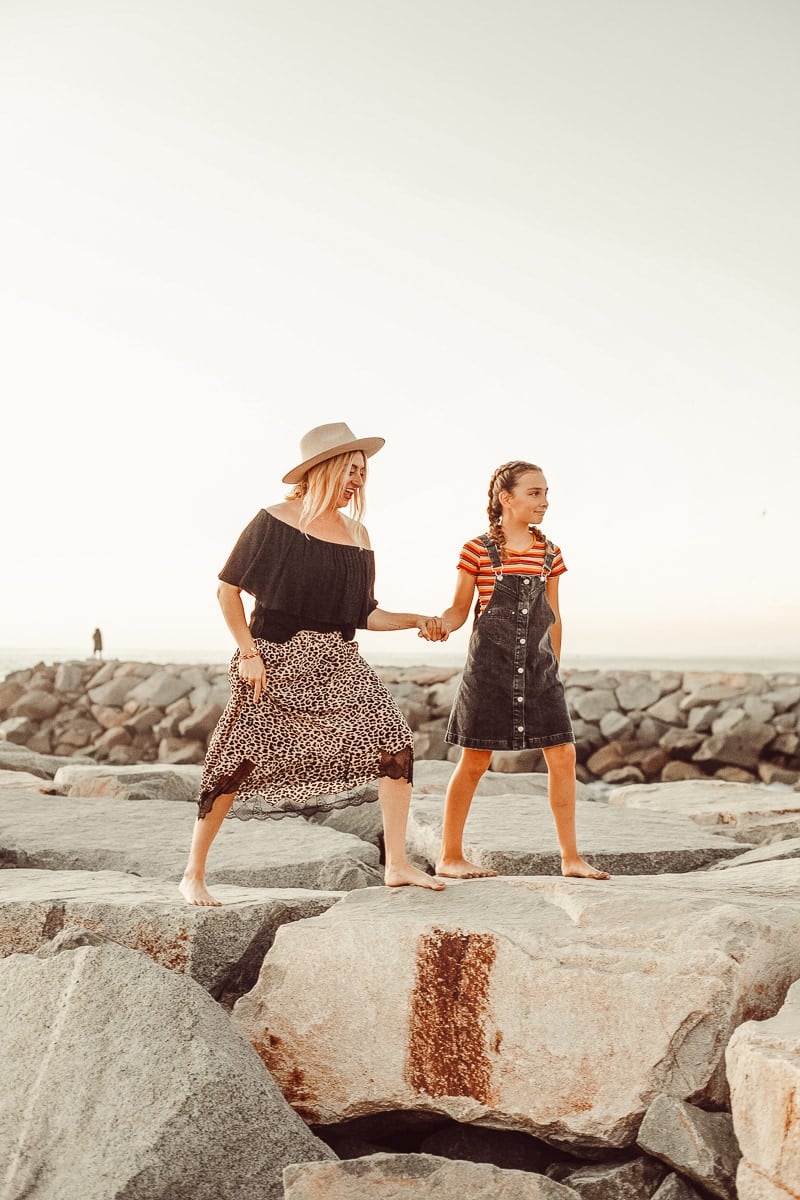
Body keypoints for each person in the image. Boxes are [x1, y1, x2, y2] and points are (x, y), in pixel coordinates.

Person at [179, 422, 447, 906]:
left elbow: (364, 612)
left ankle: (397, 865)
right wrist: (248, 653)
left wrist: (417, 621)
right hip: (273, 657)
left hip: (339, 659)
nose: (358, 481)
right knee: (234, 759)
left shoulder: (359, 535)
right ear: (323, 470)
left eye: (363, 473)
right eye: (351, 470)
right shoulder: (275, 520)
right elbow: (228, 589)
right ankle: (193, 873)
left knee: (393, 738)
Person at [434, 460, 609, 882]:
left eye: (546, 493)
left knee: (563, 755)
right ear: (505, 499)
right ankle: (449, 857)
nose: (544, 502)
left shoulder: (550, 553)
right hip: (488, 671)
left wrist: (553, 671)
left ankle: (571, 859)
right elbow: (460, 611)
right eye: (535, 493)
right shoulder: (476, 550)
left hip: (540, 671)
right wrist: (438, 625)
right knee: (475, 760)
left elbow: (554, 618)